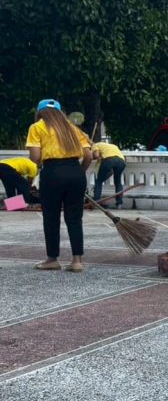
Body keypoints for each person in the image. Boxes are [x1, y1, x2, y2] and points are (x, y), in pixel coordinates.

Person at [25, 99, 92, 272]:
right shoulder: (73, 128)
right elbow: (88, 156)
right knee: (74, 218)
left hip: (53, 172)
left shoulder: (37, 127)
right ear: (60, 112)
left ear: (40, 112)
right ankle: (77, 261)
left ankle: (52, 259)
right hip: (76, 172)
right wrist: (79, 171)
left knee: (51, 217)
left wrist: (44, 164)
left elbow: (35, 157)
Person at [91, 141, 126, 207]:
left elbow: (96, 155)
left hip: (109, 160)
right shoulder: (113, 146)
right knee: (118, 182)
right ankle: (119, 203)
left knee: (98, 181)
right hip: (121, 161)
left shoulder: (95, 145)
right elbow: (111, 172)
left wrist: (91, 157)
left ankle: (96, 201)